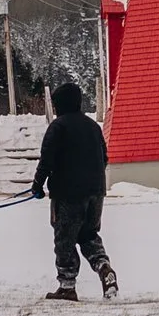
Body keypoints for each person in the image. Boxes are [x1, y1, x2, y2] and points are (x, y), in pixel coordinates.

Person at [31, 77, 118, 298]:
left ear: (59, 104)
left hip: (68, 194)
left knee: (65, 238)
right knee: (88, 234)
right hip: (96, 192)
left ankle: (67, 287)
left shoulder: (58, 127)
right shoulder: (92, 127)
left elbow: (47, 160)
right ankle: (103, 266)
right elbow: (104, 157)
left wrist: (37, 185)